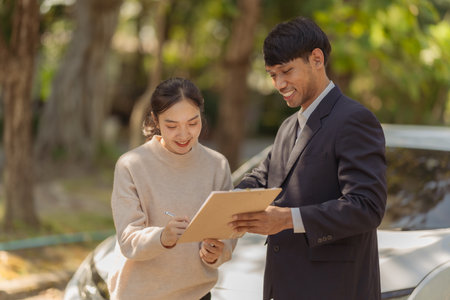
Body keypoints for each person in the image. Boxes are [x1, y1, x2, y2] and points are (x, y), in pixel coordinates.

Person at [229, 17, 387, 300]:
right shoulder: (288, 127)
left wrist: (287, 219)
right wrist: (224, 206)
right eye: (272, 75)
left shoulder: (355, 120)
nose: (279, 83)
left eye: (286, 71)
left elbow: (367, 207)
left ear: (317, 58)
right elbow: (263, 177)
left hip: (334, 290)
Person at [108, 77, 236, 300]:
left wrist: (218, 252)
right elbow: (128, 240)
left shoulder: (218, 165)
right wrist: (162, 237)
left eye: (193, 123)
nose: (184, 134)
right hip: (140, 294)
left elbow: (227, 232)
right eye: (172, 125)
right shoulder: (132, 165)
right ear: (156, 120)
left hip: (198, 294)